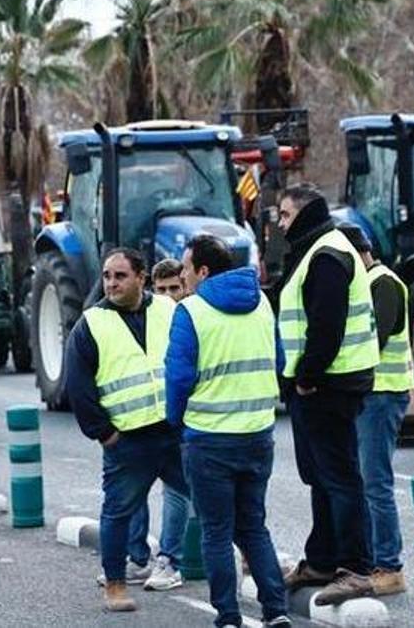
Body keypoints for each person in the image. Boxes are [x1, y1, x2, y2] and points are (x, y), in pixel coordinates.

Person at [166, 235, 291, 628]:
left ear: (203, 271)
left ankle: (229, 615)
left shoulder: (191, 311)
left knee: (217, 532)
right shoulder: (262, 304)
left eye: (185, 268)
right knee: (253, 525)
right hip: (258, 435)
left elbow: (179, 376)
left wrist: (176, 421)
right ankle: (276, 611)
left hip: (209, 438)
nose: (182, 276)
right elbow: (279, 360)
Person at [63, 248, 191, 613]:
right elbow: (79, 385)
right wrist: (104, 433)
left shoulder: (169, 310)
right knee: (118, 513)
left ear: (141, 278)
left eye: (120, 276)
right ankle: (116, 585)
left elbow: (189, 359)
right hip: (128, 439)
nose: (112, 283)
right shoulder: (92, 323)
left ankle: (244, 563)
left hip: (173, 432)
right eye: (107, 276)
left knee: (214, 499)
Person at [276, 183, 380, 605]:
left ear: (302, 213)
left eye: (284, 215)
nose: (280, 224)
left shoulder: (327, 253)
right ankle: (321, 560)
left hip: (328, 384)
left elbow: (326, 323)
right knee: (321, 477)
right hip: (320, 383)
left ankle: (356, 568)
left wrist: (307, 375)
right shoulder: (316, 248)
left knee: (339, 478)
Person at [104, 256, 193, 593]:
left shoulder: (183, 318)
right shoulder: (135, 317)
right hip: (135, 423)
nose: (169, 295)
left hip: (175, 424)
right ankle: (138, 556)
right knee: (133, 493)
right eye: (163, 289)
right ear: (149, 286)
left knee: (180, 492)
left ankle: (171, 558)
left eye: (175, 288)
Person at [339, 225, 412, 597]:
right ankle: (369, 561)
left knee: (375, 483)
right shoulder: (369, 282)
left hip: (382, 394)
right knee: (364, 481)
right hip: (370, 394)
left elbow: (373, 340)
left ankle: (389, 566)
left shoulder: (382, 283)